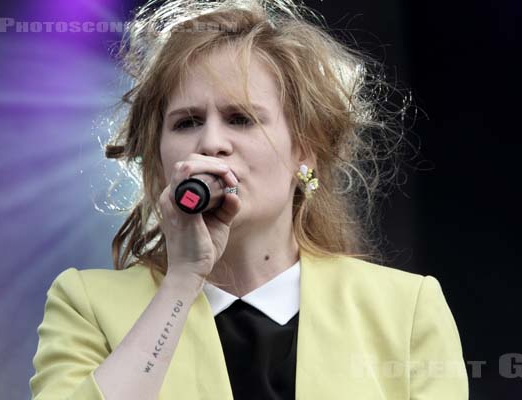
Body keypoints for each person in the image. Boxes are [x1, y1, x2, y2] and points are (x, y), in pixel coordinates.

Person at [29, 0, 469, 399]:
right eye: (186, 122)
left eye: (240, 119)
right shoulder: (85, 303)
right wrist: (183, 280)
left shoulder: (404, 309)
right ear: (159, 160)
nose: (211, 142)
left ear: (305, 151)